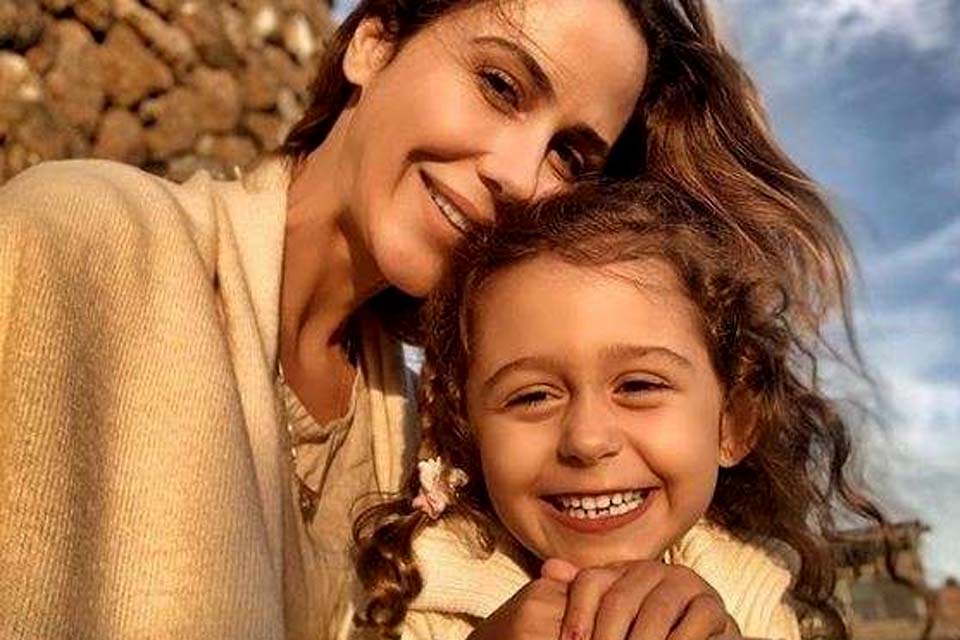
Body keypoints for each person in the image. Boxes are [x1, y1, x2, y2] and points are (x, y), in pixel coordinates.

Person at [0, 1, 851, 639]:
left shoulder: (420, 449)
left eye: (568, 155)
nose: (518, 174)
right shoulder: (79, 243)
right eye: (500, 85)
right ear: (373, 42)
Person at [349, 181, 889, 640]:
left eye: (638, 386)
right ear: (468, 430)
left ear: (733, 422)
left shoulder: (755, 594)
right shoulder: (412, 595)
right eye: (533, 396)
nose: (587, 439)